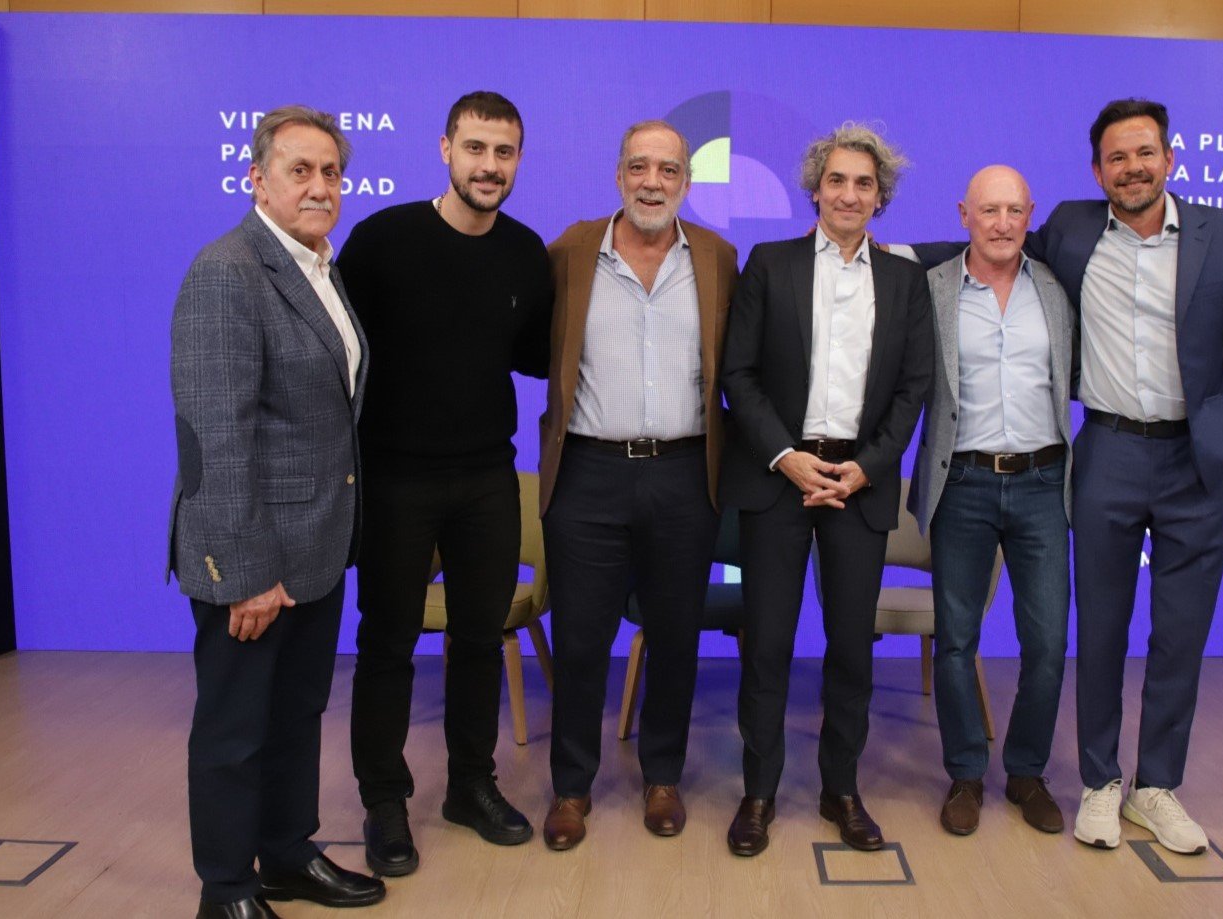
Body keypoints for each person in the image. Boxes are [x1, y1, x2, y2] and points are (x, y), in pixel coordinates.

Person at [1034, 99, 1223, 854]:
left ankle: (1157, 786)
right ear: (1097, 170)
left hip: (1198, 463)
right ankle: (1102, 782)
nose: (1132, 168)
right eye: (1116, 157)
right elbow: (987, 242)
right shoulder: (1071, 230)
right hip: (1106, 449)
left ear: (1169, 158)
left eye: (1144, 153)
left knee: (1180, 634)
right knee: (1101, 628)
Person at [169, 105, 383, 919]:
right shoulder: (226, 271)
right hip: (253, 560)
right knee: (234, 731)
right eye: (301, 169)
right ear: (257, 178)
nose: (320, 186)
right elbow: (215, 438)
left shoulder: (319, 268)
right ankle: (226, 887)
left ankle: (288, 854)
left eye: (331, 171)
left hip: (316, 545)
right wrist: (247, 575)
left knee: (297, 715)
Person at [336, 91, 551, 874]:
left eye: (504, 152)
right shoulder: (382, 239)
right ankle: (385, 804)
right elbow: (339, 352)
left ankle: (470, 784)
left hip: (488, 474)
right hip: (394, 476)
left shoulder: (526, 253)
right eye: (476, 149)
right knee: (388, 643)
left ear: (518, 160)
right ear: (444, 149)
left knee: (477, 640)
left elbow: (536, 355)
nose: (489, 166)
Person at [720, 123, 932, 857]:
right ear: (816, 188)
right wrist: (786, 455)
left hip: (859, 484)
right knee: (769, 646)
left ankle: (842, 789)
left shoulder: (905, 281)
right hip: (779, 481)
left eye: (864, 183)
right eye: (837, 180)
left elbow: (915, 387)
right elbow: (736, 375)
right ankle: (759, 792)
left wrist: (867, 465)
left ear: (881, 197)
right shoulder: (769, 264)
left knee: (851, 649)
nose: (849, 193)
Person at [537, 120, 738, 851]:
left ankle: (663, 777)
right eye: (638, 167)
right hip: (589, 470)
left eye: (668, 169)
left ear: (686, 180)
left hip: (685, 472)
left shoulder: (718, 256)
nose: (652, 181)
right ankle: (569, 788)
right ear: (619, 175)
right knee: (582, 637)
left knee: (676, 637)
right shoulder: (571, 251)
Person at [907, 166, 1076, 838]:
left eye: (1014, 209)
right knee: (956, 641)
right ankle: (965, 773)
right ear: (963, 215)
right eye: (988, 210)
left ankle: (1028, 771)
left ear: (1030, 213)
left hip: (1043, 483)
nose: (1002, 222)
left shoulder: (1060, 290)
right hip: (964, 484)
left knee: (1048, 641)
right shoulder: (931, 288)